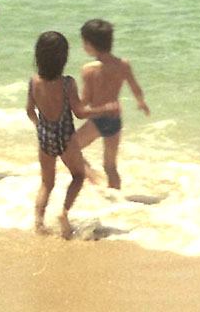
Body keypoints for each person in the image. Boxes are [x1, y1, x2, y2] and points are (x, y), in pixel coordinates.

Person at [25, 31, 118, 238]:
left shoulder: (33, 82)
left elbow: (30, 111)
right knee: (78, 175)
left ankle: (38, 222)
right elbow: (79, 112)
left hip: (45, 138)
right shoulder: (67, 83)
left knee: (47, 183)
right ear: (63, 58)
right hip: (65, 138)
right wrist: (101, 109)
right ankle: (63, 212)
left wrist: (40, 126)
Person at [72, 19, 150, 190]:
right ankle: (117, 201)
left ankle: (93, 179)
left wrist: (69, 101)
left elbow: (85, 100)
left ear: (89, 44)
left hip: (98, 120)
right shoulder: (123, 64)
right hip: (115, 120)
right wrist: (141, 103)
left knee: (72, 149)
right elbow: (135, 88)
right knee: (110, 166)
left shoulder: (89, 69)